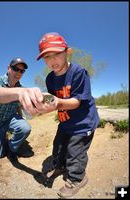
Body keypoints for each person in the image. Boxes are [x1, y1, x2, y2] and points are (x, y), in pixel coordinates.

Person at [36, 32, 100, 197]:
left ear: (67, 51)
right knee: (59, 146)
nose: (52, 60)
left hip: (82, 123)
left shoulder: (78, 72)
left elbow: (77, 102)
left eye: (56, 54)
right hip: (65, 121)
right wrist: (41, 107)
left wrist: (57, 103)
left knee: (75, 151)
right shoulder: (50, 79)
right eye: (47, 57)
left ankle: (78, 178)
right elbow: (52, 101)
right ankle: (61, 165)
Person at [0, 57, 55, 163]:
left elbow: (20, 106)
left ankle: (12, 149)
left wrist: (25, 115)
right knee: (0, 155)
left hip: (10, 118)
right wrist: (19, 93)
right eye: (16, 68)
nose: (19, 72)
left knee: (25, 128)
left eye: (22, 71)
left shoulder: (22, 88)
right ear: (8, 68)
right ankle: (3, 139)